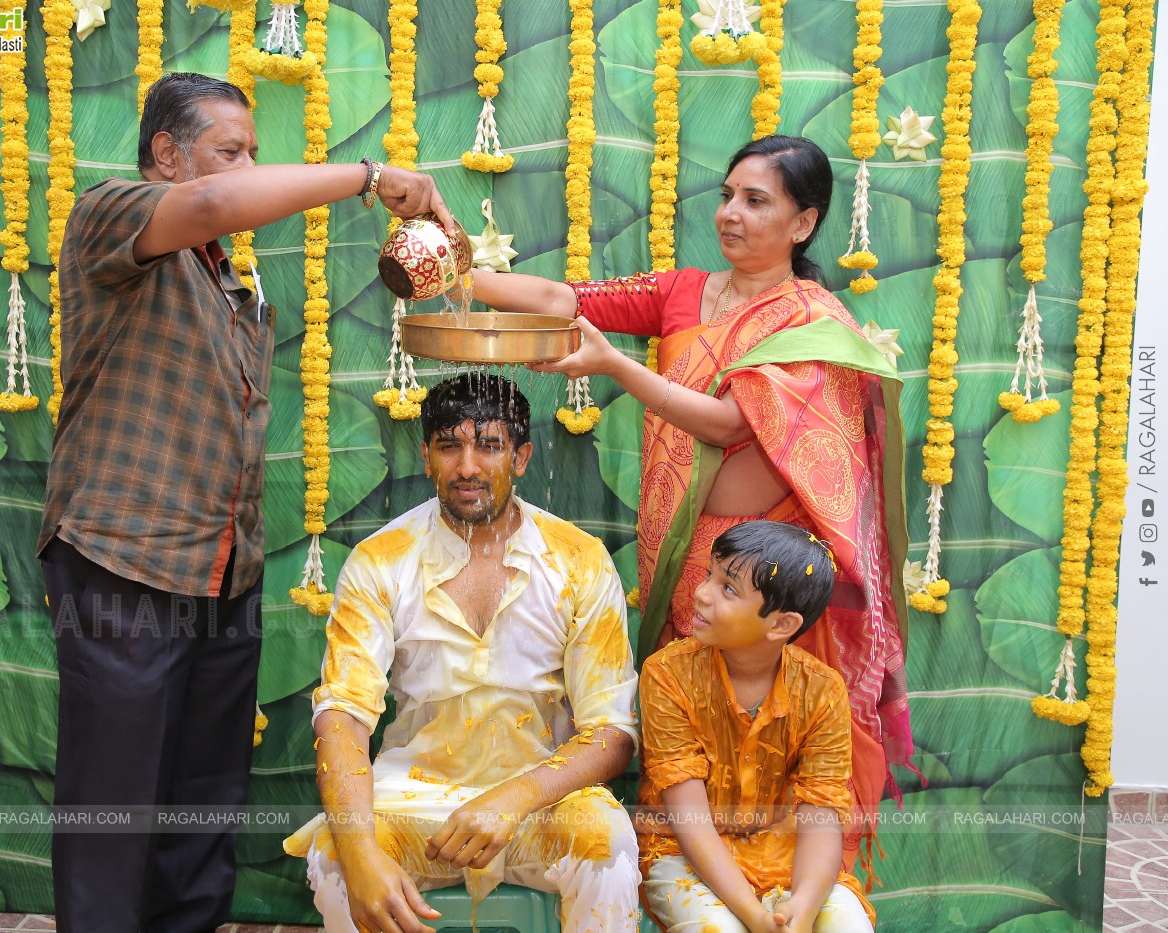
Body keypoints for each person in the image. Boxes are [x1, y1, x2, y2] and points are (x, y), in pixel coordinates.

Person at [36, 71, 453, 933]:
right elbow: (216, 201)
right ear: (166, 154)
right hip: (123, 555)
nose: (245, 166)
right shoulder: (111, 214)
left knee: (201, 797)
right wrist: (370, 178)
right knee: (114, 805)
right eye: (231, 149)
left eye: (250, 151)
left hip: (221, 568)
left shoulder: (225, 278)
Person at [470, 135, 911, 861]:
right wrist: (456, 271)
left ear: (802, 222)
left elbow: (731, 422)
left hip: (770, 571)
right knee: (692, 735)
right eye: (727, 196)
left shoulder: (811, 319)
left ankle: (793, 891)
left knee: (780, 737)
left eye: (756, 200)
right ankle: (691, 881)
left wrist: (613, 365)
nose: (731, 214)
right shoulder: (685, 293)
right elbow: (562, 299)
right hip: (689, 565)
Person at [283, 373, 642, 933]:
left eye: (490, 445)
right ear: (427, 455)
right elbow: (343, 719)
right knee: (335, 861)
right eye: (450, 445)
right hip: (414, 798)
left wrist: (514, 798)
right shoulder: (381, 560)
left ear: (521, 457)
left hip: (540, 799)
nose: (468, 466)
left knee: (611, 852)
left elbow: (612, 733)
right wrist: (359, 855)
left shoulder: (580, 560)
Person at [638, 520, 875, 933]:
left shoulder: (822, 691)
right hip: (682, 852)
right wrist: (754, 917)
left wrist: (800, 909)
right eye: (710, 574)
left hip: (786, 853)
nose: (702, 593)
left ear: (781, 625)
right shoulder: (667, 675)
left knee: (847, 924)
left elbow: (821, 817)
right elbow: (690, 820)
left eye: (727, 588)